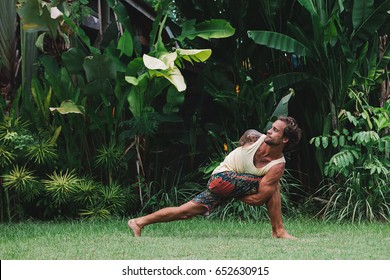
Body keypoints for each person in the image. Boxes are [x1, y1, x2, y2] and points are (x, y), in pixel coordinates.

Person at [128, 116, 302, 239]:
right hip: (220, 178)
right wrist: (230, 189)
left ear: (285, 139)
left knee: (184, 212)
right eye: (271, 127)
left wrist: (229, 193)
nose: (269, 131)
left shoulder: (277, 165)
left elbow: (258, 199)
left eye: (275, 130)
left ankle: (138, 222)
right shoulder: (253, 137)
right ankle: (278, 231)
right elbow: (242, 142)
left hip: (227, 187)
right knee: (273, 186)